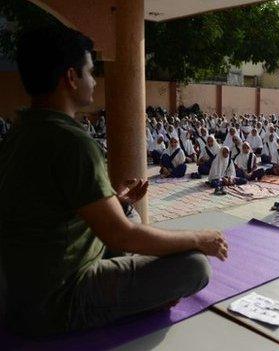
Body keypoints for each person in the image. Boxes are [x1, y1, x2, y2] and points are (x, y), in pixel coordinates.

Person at [0, 27, 226, 337]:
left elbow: (45, 211)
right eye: (90, 72)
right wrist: (199, 238)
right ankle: (139, 301)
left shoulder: (19, 132)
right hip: (58, 302)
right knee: (195, 267)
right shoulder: (72, 142)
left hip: (17, 292)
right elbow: (123, 237)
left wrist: (114, 199)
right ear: (70, 77)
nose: (94, 81)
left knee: (128, 211)